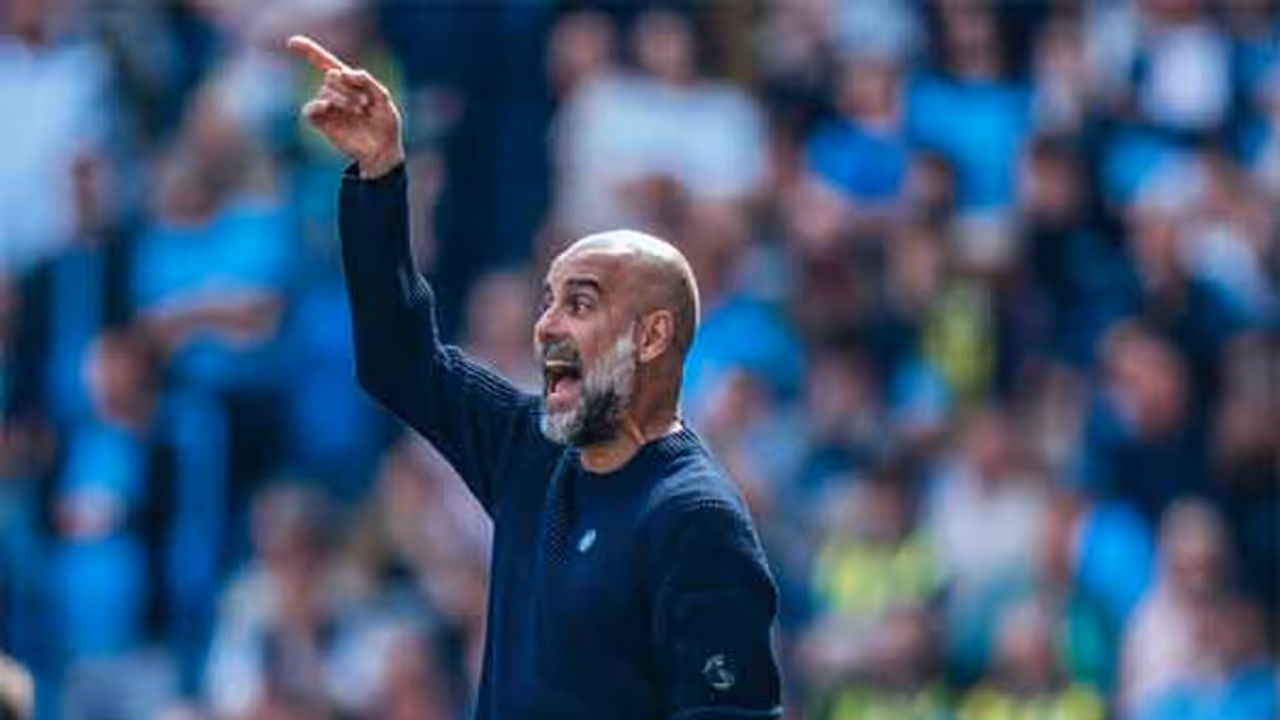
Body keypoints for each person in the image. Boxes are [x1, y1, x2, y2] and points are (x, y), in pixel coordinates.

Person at [286, 34, 783, 720]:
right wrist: (380, 176)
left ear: (653, 334)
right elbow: (400, 362)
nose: (545, 325)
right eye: (546, 300)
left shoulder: (695, 520)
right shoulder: (531, 453)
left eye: (579, 303)